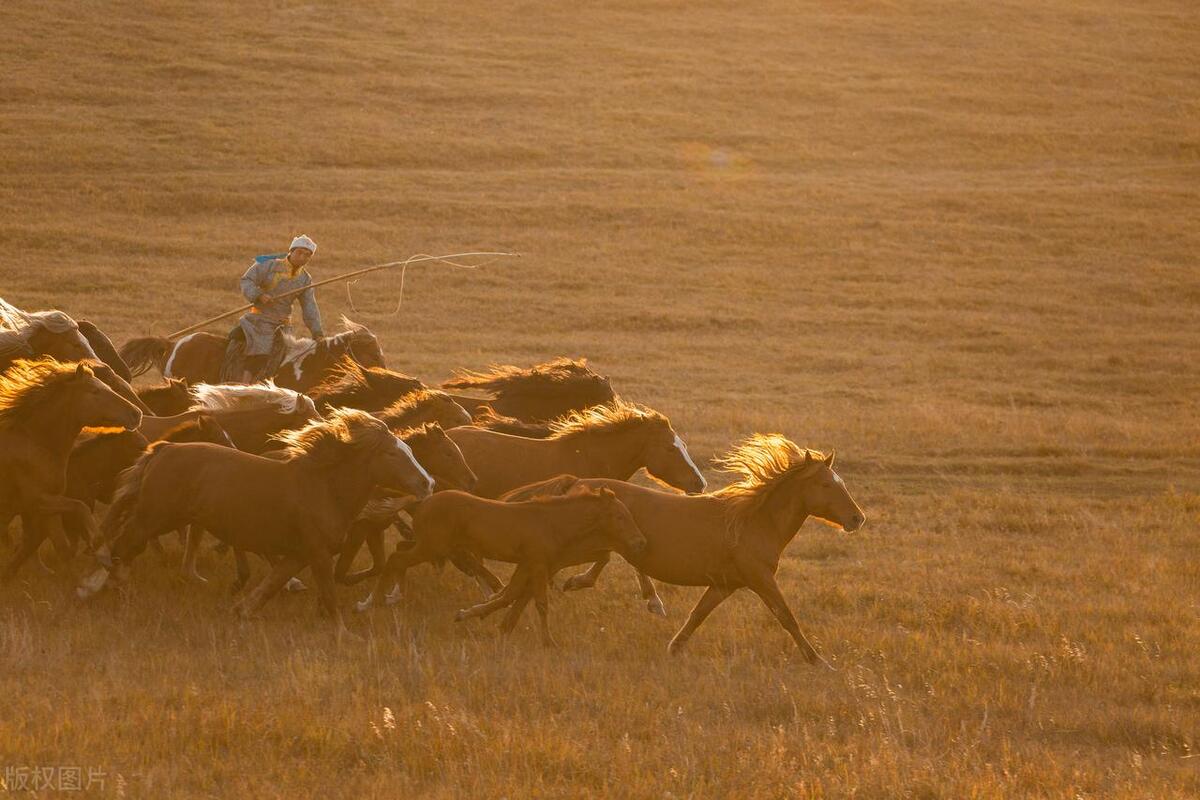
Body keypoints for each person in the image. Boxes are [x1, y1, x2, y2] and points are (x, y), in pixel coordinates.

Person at [232, 234, 325, 383]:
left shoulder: (305, 279)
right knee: (261, 351)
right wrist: (259, 295)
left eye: (307, 255)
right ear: (291, 251)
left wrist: (317, 331)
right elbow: (247, 280)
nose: (303, 257)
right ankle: (245, 384)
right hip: (260, 320)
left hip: (283, 325)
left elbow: (309, 306)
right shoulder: (268, 265)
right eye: (300, 252)